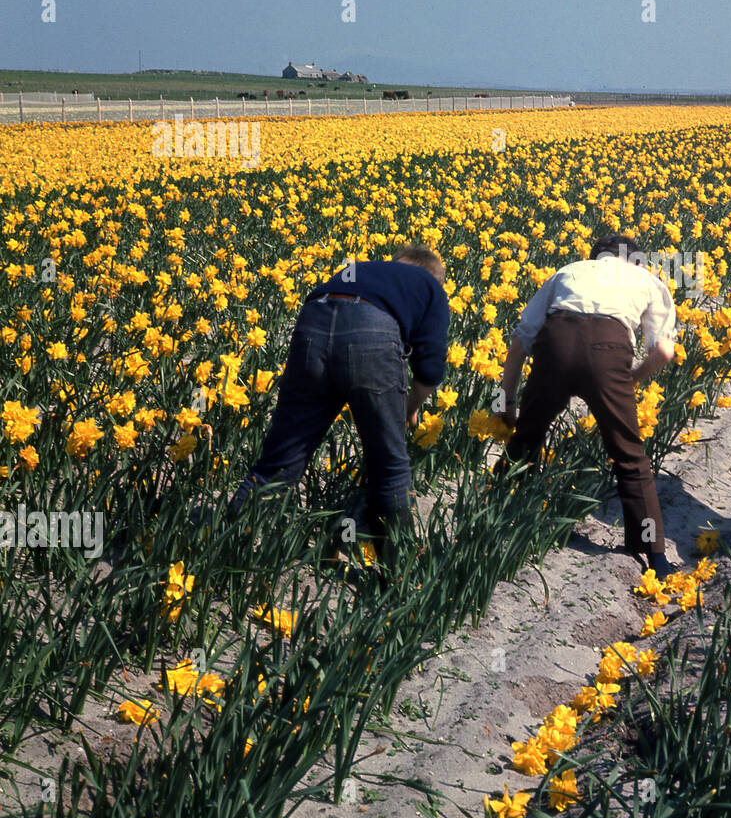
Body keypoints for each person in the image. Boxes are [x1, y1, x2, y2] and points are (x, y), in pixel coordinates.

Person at [228, 243, 450, 573]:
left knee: (279, 460)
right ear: (434, 275)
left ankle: (223, 549)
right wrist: (407, 408)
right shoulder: (431, 284)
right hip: (371, 334)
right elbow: (431, 369)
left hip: (313, 321)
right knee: (389, 465)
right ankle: (398, 575)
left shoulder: (361, 269)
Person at [498, 234, 677, 578]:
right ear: (635, 262)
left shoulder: (569, 270)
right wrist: (632, 378)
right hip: (609, 353)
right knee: (629, 456)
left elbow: (519, 341)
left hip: (556, 344)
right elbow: (664, 351)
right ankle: (655, 558)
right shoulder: (647, 280)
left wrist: (505, 401)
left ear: (595, 257)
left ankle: (501, 521)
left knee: (525, 442)